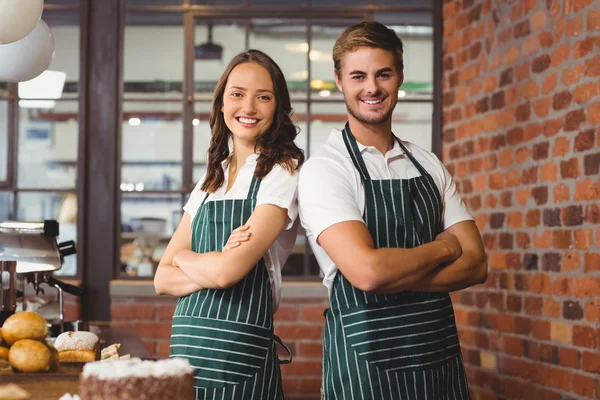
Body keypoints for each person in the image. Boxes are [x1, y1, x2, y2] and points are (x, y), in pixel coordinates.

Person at [298, 22, 487, 399]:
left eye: (383, 73)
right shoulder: (326, 168)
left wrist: (391, 277)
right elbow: (368, 274)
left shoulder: (427, 163)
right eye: (358, 76)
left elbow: (478, 265)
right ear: (339, 81)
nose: (372, 88)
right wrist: (444, 249)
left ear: (400, 76)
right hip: (365, 367)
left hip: (439, 361)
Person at [154, 49, 304, 400]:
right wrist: (217, 259)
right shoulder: (211, 180)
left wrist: (187, 259)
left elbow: (227, 274)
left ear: (278, 108)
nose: (248, 108)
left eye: (263, 97)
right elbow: (161, 279)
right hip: (188, 350)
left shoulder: (283, 171)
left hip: (240, 355)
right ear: (221, 103)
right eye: (237, 94)